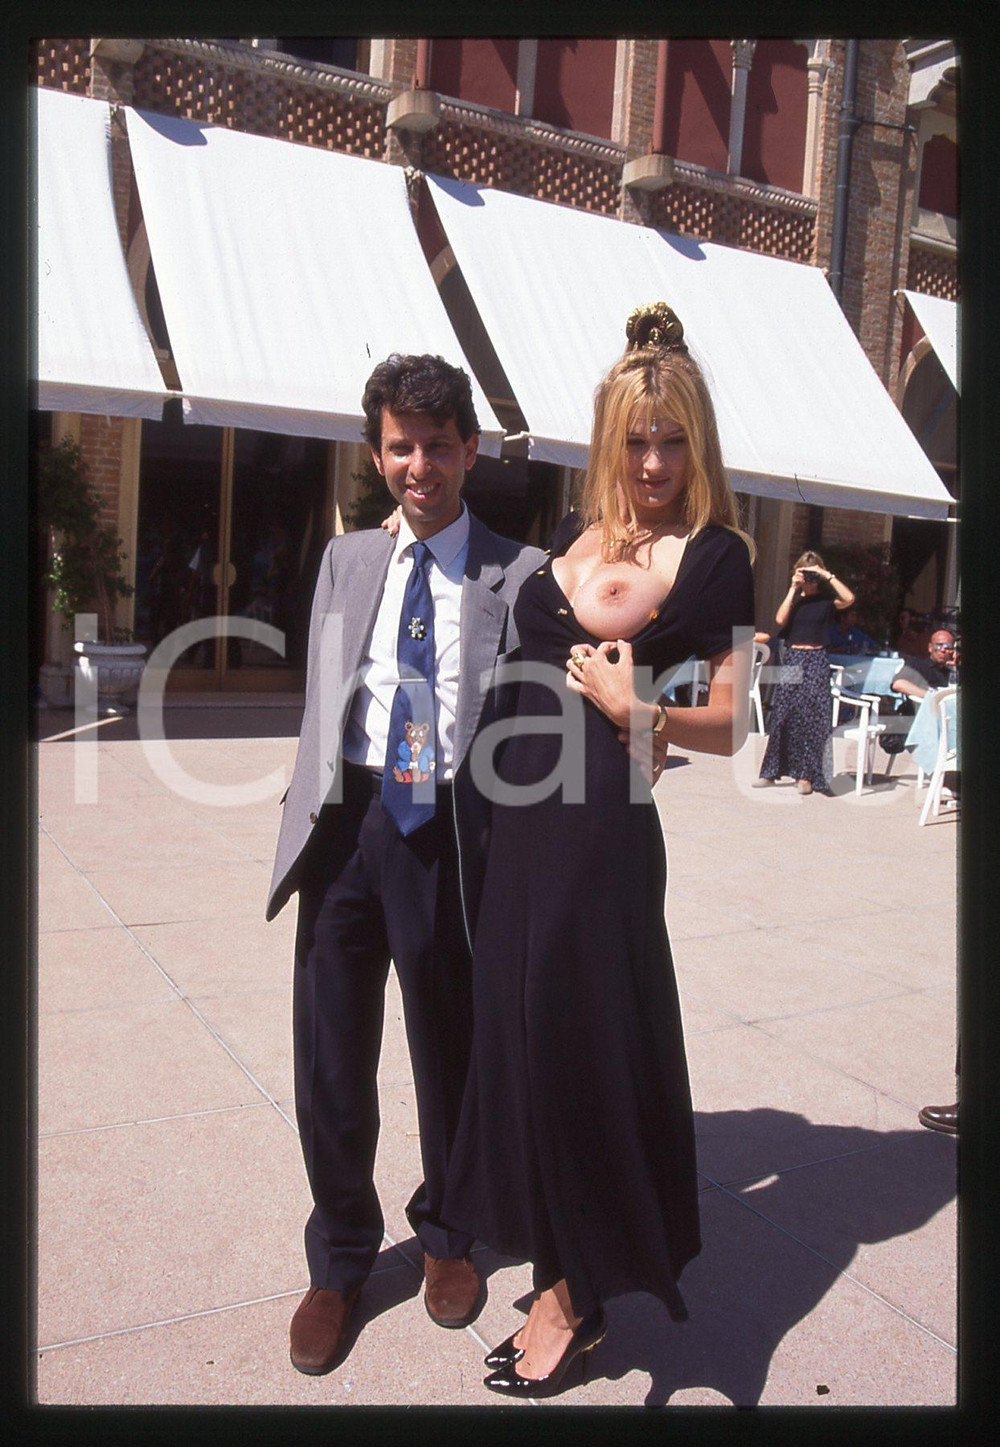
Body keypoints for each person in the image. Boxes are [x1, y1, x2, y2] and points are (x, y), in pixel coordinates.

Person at [438, 302, 756, 1397]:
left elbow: (737, 723)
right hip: (510, 821)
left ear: (697, 443)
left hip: (595, 830)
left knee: (575, 1046)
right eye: (637, 440)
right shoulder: (576, 541)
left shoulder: (717, 558)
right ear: (608, 439)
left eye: (673, 441)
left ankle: (576, 1299)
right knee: (521, 1041)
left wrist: (640, 710)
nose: (655, 462)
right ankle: (557, 1258)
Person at [266, 354, 547, 1375]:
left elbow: (530, 722)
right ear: (375, 451)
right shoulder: (347, 560)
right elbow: (318, 701)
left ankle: (446, 1233)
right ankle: (339, 1257)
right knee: (330, 1061)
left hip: (445, 837)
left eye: (437, 444)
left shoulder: (516, 575)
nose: (417, 464)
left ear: (470, 449)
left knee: (449, 1049)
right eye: (399, 445)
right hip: (346, 827)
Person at [755, 551, 855, 795]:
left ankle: (806, 776)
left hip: (816, 658)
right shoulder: (795, 600)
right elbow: (780, 620)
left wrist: (825, 574)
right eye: (806, 572)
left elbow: (849, 598)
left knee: (814, 716)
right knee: (783, 713)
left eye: (813, 574)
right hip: (794, 657)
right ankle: (771, 771)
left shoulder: (826, 601)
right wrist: (793, 588)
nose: (810, 579)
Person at [890, 628, 957, 701]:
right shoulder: (917, 665)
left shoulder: (953, 671)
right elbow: (898, 684)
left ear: (952, 650)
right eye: (939, 645)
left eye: (948, 647)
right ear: (930, 648)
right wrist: (933, 697)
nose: (943, 650)